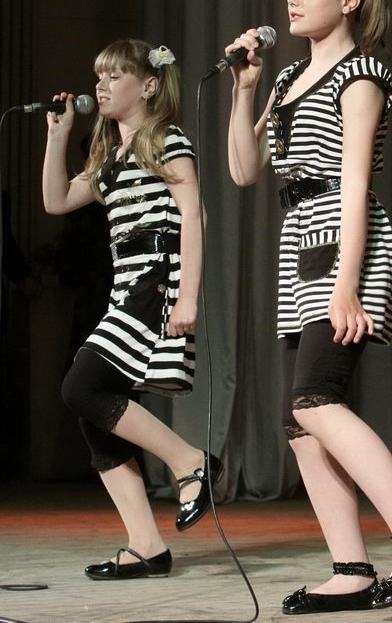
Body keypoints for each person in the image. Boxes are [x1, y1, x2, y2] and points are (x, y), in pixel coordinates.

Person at [226, 0, 392, 613]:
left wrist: (346, 284)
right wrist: (245, 90)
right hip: (298, 238)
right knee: (298, 421)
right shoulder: (285, 79)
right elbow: (244, 170)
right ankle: (351, 568)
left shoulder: (362, 73)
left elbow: (354, 184)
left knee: (315, 398)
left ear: (349, 0)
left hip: (344, 239)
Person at [42, 38, 223, 580]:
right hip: (127, 287)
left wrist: (188, 295)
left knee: (81, 387)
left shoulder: (165, 139)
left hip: (154, 282)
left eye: (114, 76)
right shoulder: (109, 157)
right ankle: (146, 546)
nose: (100, 86)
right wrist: (58, 136)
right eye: (98, 76)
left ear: (147, 86)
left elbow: (194, 216)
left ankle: (191, 462)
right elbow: (56, 201)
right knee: (94, 416)